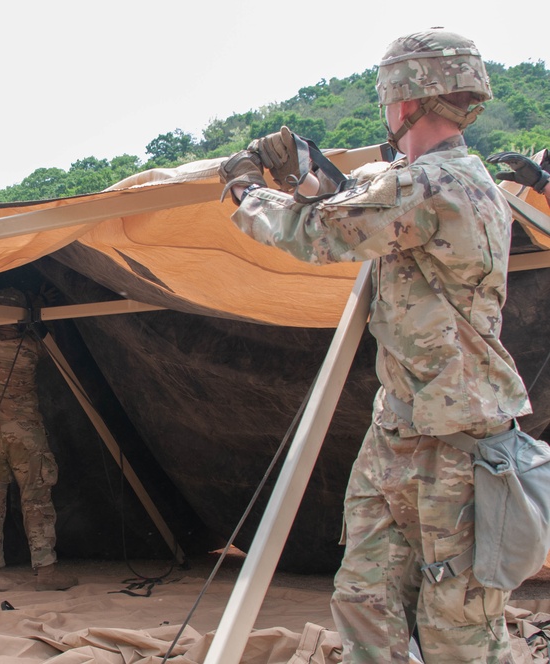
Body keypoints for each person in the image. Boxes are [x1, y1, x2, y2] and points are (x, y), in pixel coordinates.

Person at [216, 29, 530, 663]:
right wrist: (311, 174)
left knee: (457, 628)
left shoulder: (437, 185)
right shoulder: (426, 182)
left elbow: (321, 233)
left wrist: (248, 189)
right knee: (366, 598)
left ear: (405, 97)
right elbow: (357, 204)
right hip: (403, 429)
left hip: (458, 444)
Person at [0, 287, 76, 592]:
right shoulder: (29, 348)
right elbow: (49, 341)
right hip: (25, 433)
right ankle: (46, 571)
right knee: (36, 501)